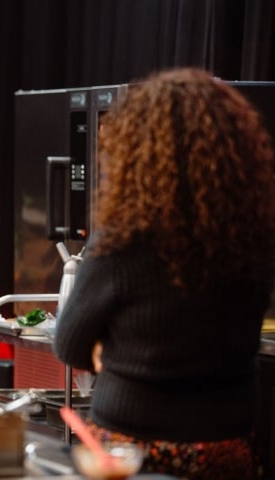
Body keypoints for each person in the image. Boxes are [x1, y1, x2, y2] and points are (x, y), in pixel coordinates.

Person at [53, 68, 275, 479]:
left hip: (133, 451)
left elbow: (68, 345)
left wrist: (108, 351)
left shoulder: (121, 242)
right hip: (225, 448)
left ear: (138, 151)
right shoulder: (254, 240)